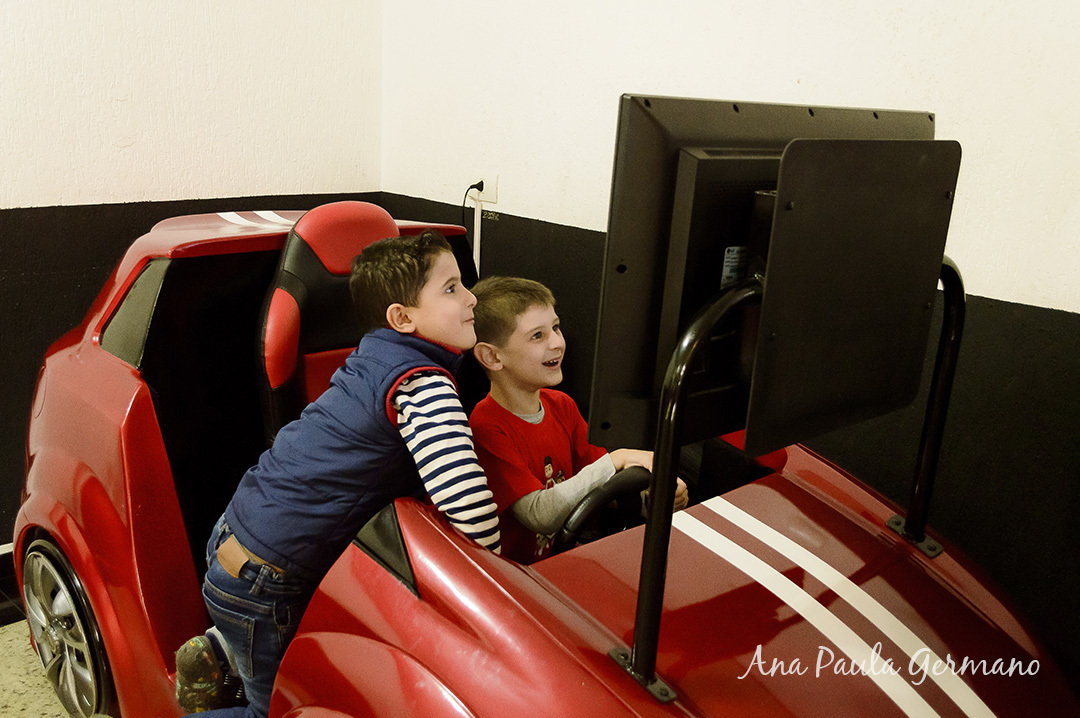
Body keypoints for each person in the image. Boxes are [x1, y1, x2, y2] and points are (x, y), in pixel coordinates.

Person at [176, 230, 501, 717]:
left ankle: (223, 649)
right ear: (402, 317)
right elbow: (470, 510)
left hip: (241, 541)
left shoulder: (377, 354)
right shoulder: (424, 384)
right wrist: (497, 590)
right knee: (284, 709)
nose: (473, 298)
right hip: (269, 581)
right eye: (451, 288)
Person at [468, 276, 686, 564]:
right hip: (518, 577)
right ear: (492, 357)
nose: (557, 342)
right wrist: (617, 458)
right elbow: (540, 514)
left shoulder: (562, 405)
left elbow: (603, 486)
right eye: (538, 335)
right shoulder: (487, 427)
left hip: (566, 558)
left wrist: (651, 500)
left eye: (556, 328)